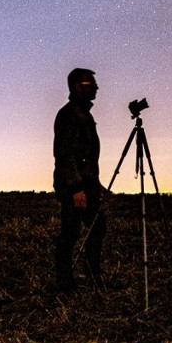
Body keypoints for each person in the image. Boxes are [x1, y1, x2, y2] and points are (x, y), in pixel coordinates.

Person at [53, 67, 106, 292]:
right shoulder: (69, 114)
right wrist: (76, 188)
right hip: (74, 186)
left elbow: (86, 156)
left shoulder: (84, 113)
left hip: (86, 184)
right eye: (90, 84)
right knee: (71, 233)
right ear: (76, 87)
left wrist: (95, 184)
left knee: (97, 227)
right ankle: (65, 283)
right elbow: (65, 154)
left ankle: (92, 276)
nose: (96, 87)